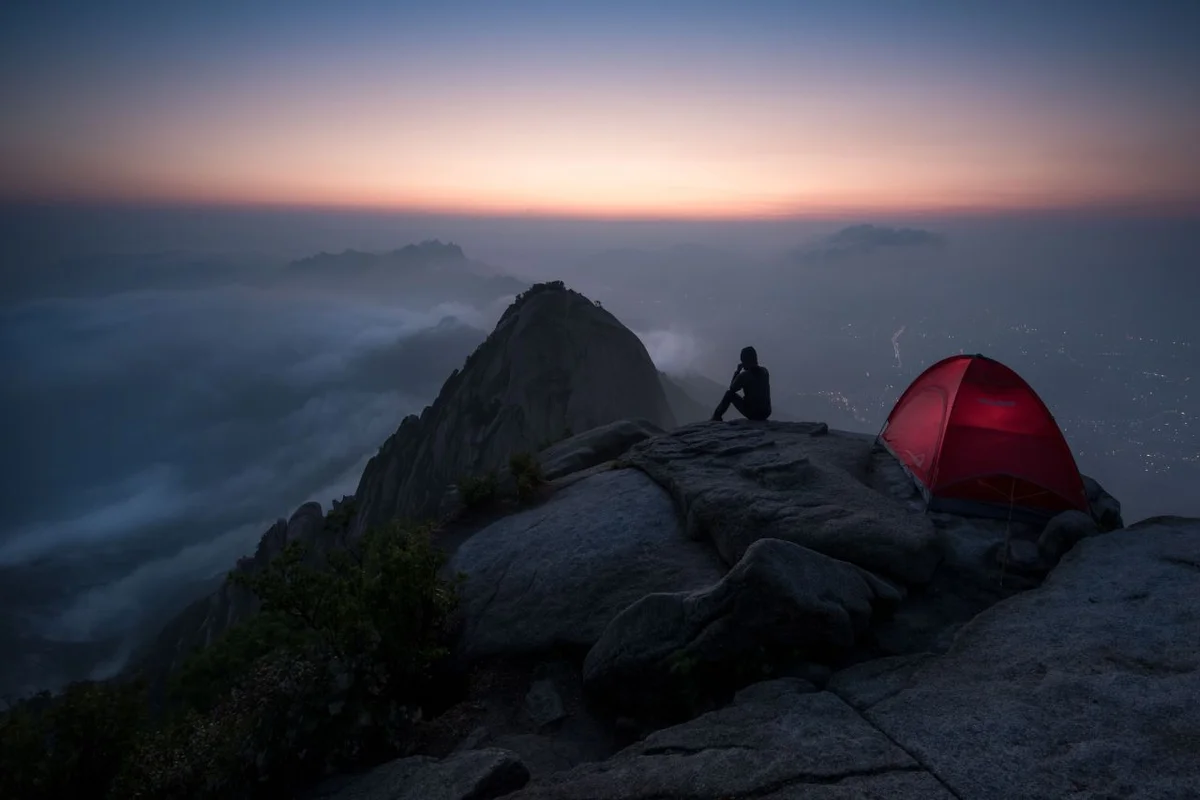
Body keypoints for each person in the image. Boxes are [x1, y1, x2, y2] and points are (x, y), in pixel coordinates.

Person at [711, 346, 772, 421]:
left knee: (729, 394)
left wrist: (737, 372)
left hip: (754, 414)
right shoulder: (765, 371)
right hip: (766, 412)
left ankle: (716, 417)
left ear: (745, 361)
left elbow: (732, 388)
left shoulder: (745, 375)